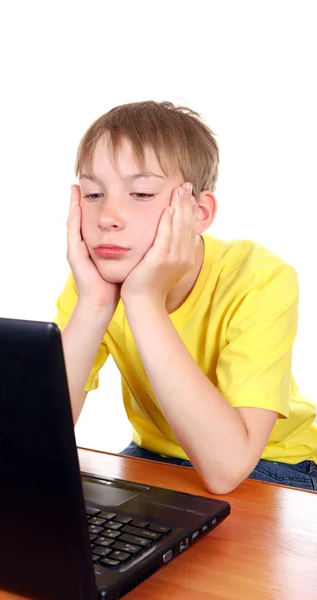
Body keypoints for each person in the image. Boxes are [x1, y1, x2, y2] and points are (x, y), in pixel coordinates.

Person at [53, 100, 317, 494]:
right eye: (93, 195)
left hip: (274, 463)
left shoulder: (261, 279)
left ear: (199, 211)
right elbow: (38, 433)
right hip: (155, 456)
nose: (107, 216)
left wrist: (144, 301)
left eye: (140, 193)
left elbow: (227, 468)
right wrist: (93, 304)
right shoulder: (96, 280)